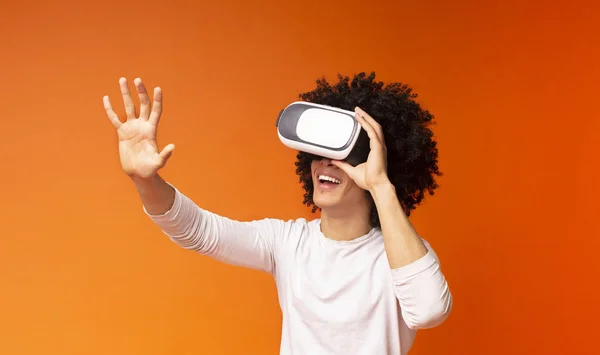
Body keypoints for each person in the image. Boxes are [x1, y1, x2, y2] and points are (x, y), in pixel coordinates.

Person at [103, 72, 452, 355]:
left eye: (342, 154)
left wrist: (380, 185)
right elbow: (197, 230)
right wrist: (144, 180)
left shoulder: (402, 256)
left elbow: (429, 310)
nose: (324, 163)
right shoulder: (287, 242)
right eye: (317, 152)